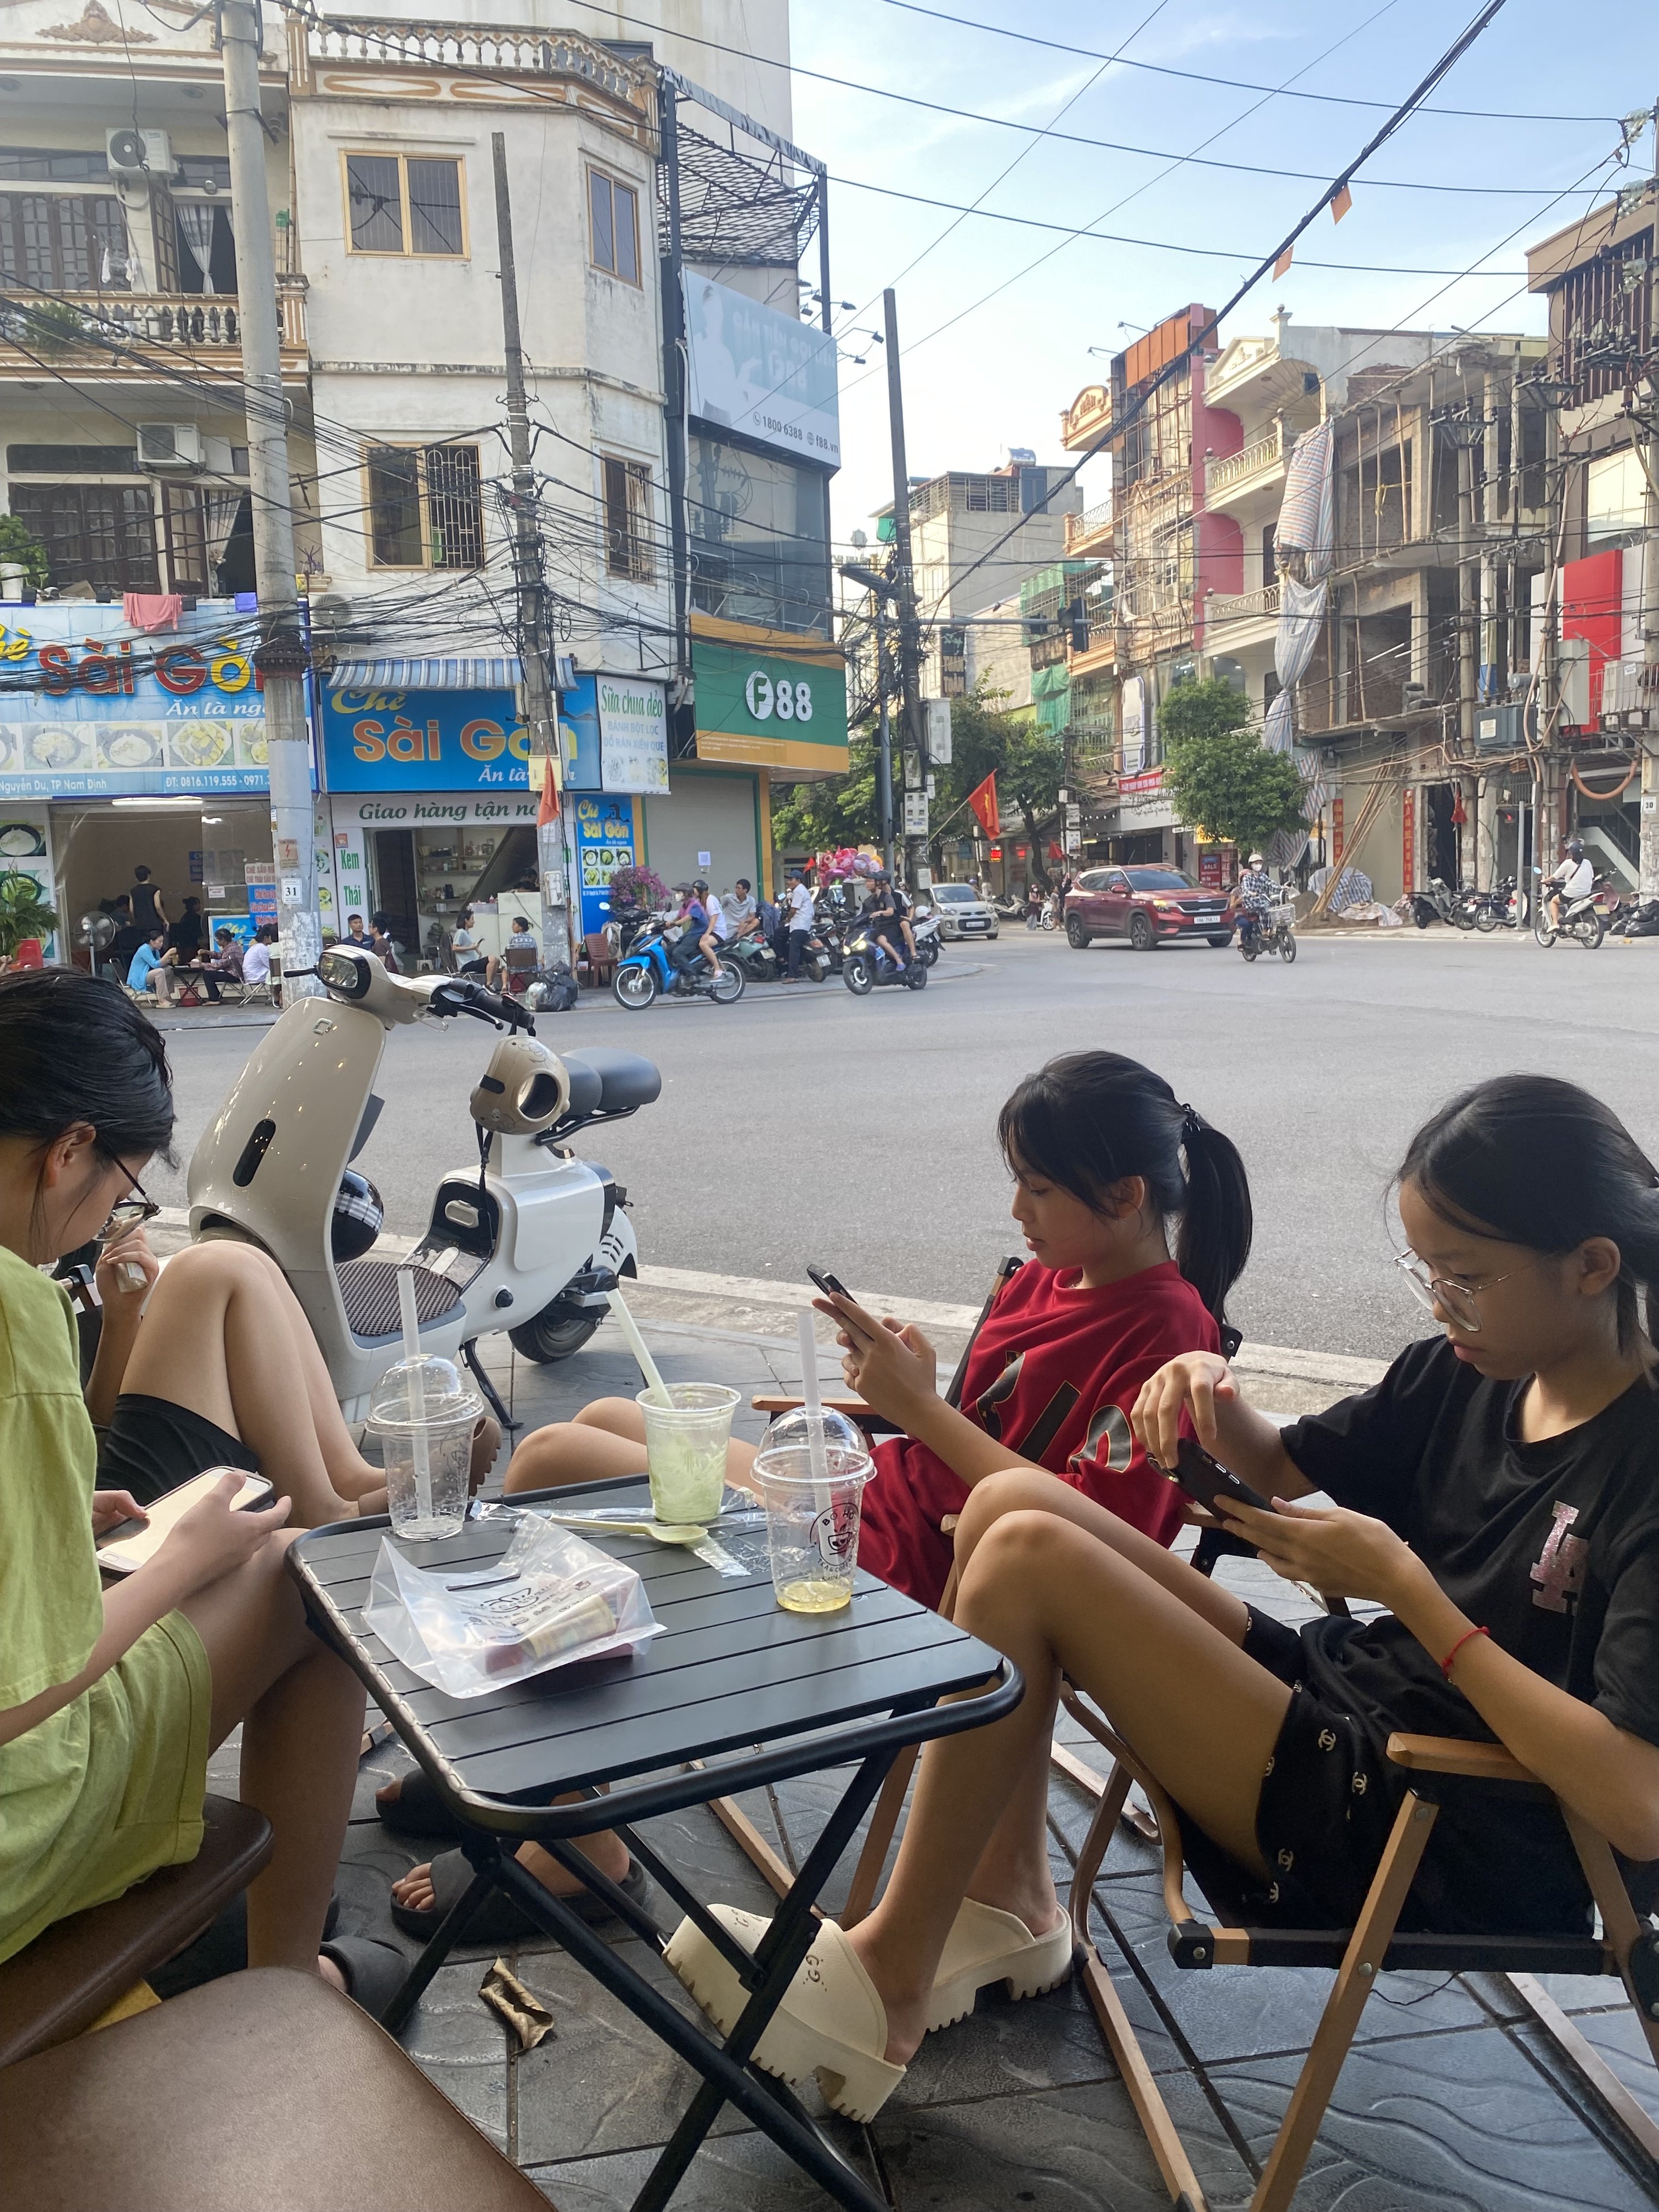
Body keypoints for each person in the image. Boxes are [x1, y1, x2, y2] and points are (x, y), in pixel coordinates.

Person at [662, 1072, 1659, 2120]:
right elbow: (1276, 1465)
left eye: (1465, 1278)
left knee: (1029, 1553)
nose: (1440, 1305)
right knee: (1008, 1503)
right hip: (1358, 1708)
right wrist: (1203, 1385)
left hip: (1442, 1818)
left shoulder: (1639, 1463)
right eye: (1427, 1274)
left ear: (1590, 1265)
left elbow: (1635, 1807)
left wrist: (1409, 1595)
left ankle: (887, 1984)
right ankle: (1006, 1896)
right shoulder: (1470, 1370)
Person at [0, 967, 411, 2007]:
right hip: (15, 1828)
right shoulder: (13, 1309)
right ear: (67, 1152)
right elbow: (12, 1696)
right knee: (313, 1581)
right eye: (120, 1190)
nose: (108, 1218)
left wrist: (57, 1514)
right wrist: (184, 1561)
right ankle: (288, 1989)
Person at [502, 1051, 1251, 1611]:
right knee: (605, 1417)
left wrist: (919, 1410)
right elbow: (984, 1437)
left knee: (550, 1458)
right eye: (1017, 1182)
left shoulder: (1169, 1340)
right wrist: (911, 1387)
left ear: (1124, 1196)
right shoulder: (1047, 1276)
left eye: (1039, 1188)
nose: (1018, 1210)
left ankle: (546, 1703)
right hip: (871, 1499)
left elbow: (1096, 1540)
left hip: (911, 1562)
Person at [867, 870, 913, 970]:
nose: (877, 882)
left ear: (885, 881)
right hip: (886, 925)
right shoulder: (874, 898)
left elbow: (910, 907)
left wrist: (910, 918)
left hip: (900, 921)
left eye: (878, 880)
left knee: (904, 924)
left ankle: (913, 953)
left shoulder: (897, 894)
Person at [1545, 838, 1594, 929]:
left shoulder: (1568, 863)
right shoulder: (1588, 863)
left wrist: (1544, 881)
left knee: (1554, 901)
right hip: (1587, 893)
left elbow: (1555, 877)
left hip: (1572, 894)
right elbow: (1591, 877)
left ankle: (1555, 924)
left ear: (1571, 853)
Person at [667, 882, 710, 986]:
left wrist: (674, 923)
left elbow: (688, 917)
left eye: (679, 892)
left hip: (698, 934)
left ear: (686, 893)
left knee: (678, 953)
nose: (677, 894)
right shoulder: (684, 906)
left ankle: (692, 975)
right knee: (668, 951)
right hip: (690, 934)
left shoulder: (695, 905)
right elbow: (678, 919)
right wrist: (663, 926)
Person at [1233, 851, 1276, 951]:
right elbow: (1246, 890)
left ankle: (1271, 930)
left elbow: (1271, 884)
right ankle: (1263, 931)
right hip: (1248, 905)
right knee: (1260, 910)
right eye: (1256, 863)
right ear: (1251, 865)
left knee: (1271, 907)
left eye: (1260, 863)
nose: (1258, 865)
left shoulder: (1263, 877)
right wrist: (1250, 894)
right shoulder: (1245, 880)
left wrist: (1281, 888)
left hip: (1261, 901)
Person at [782, 866, 815, 980]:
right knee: (781, 935)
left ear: (798, 880)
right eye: (788, 880)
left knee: (794, 949)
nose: (789, 882)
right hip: (802, 923)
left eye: (791, 880)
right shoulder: (801, 890)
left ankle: (792, 975)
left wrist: (788, 920)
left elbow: (793, 910)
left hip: (799, 924)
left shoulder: (798, 891)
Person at [127, 928, 173, 1006]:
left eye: (162, 941)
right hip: (140, 977)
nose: (162, 944)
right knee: (160, 972)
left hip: (148, 973)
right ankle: (162, 1000)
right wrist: (168, 953)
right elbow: (155, 965)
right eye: (160, 941)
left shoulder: (155, 950)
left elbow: (160, 962)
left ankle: (168, 996)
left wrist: (167, 960)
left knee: (169, 969)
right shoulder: (144, 949)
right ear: (152, 941)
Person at [128, 865, 167, 938]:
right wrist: (164, 919)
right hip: (154, 924)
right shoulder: (155, 889)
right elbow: (158, 907)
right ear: (148, 875)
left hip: (140, 925)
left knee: (144, 944)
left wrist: (136, 920)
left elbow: (131, 909)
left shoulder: (133, 891)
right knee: (156, 943)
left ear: (136, 877)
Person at [166, 896, 206, 965]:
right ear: (195, 905)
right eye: (198, 904)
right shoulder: (195, 917)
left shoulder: (185, 916)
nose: (200, 906)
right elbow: (199, 931)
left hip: (184, 942)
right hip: (192, 943)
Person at [449, 907, 487, 977]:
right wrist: (471, 948)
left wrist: (476, 949)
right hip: (466, 964)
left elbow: (470, 946)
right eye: (472, 919)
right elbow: (454, 948)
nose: (474, 922)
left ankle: (489, 981)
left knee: (495, 962)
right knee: (492, 960)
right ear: (466, 920)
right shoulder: (461, 932)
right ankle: (489, 982)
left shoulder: (467, 933)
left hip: (472, 962)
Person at [240, 923, 278, 994]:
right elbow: (270, 966)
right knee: (278, 974)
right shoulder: (262, 948)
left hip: (250, 976)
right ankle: (277, 994)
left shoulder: (256, 947)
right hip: (256, 976)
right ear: (266, 938)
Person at [723, 878, 761, 946]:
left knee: (756, 921)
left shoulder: (751, 900)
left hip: (743, 927)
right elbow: (718, 907)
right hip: (729, 927)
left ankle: (739, 936)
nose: (736, 890)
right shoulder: (728, 898)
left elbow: (752, 916)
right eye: (736, 888)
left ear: (745, 890)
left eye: (739, 888)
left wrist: (744, 922)